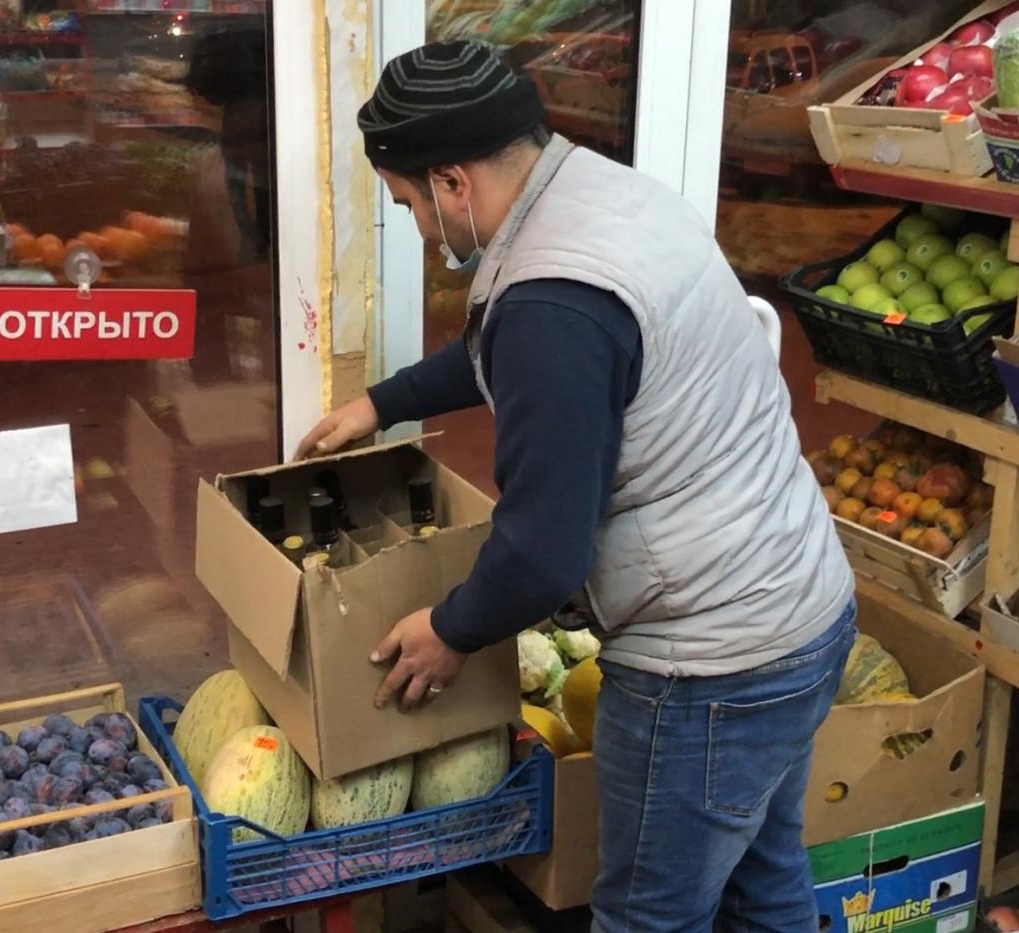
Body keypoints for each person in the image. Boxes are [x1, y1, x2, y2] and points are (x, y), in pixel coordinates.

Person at [295, 41, 856, 933]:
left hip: (709, 667)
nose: (416, 227)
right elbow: (514, 345)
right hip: (801, 609)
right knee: (764, 880)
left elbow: (544, 549)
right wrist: (383, 401)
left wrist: (451, 632)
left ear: (451, 184)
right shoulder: (597, 193)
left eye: (406, 204)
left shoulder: (553, 301)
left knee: (646, 917)